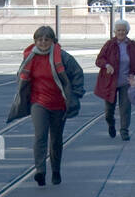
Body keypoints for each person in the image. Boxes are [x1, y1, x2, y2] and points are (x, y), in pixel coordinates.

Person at [9, 26, 83, 187]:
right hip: (39, 102)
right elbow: (21, 75)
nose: (43, 42)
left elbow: (77, 73)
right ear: (35, 41)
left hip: (59, 103)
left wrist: (75, 94)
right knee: (40, 136)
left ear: (52, 41)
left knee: (56, 139)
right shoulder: (30, 57)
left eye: (47, 39)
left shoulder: (63, 57)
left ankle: (56, 170)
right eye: (39, 39)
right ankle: (40, 171)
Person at [95, 19, 135, 141]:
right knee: (109, 110)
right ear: (115, 31)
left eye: (123, 30)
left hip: (127, 82)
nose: (121, 32)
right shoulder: (109, 44)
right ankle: (111, 123)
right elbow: (99, 60)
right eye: (118, 30)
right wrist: (107, 65)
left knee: (125, 107)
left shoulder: (133, 45)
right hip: (110, 82)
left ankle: (124, 131)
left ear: (127, 31)